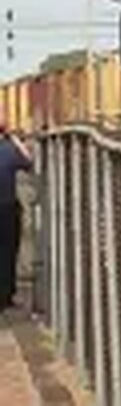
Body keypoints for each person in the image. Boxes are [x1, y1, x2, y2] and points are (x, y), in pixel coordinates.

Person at [0, 120, 32, 310]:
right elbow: (28, 162)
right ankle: (5, 296)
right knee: (8, 251)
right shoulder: (9, 150)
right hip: (6, 208)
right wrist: (16, 141)